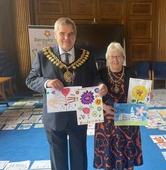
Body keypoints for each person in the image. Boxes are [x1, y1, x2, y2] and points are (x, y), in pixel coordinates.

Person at [25, 17, 108, 170]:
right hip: (54, 117)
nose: (66, 38)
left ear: (75, 36)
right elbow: (30, 80)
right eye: (62, 33)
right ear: (55, 35)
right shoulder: (43, 56)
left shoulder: (87, 56)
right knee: (58, 158)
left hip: (79, 115)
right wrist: (46, 83)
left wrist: (101, 85)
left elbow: (95, 78)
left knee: (79, 155)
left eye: (70, 34)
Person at [93, 42, 150, 170]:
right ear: (107, 58)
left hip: (127, 116)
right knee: (109, 151)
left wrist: (146, 95)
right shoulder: (100, 73)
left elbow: (137, 92)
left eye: (119, 56)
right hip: (107, 118)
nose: (115, 59)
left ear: (123, 58)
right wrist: (103, 106)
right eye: (112, 57)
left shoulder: (130, 71)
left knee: (127, 150)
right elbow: (91, 95)